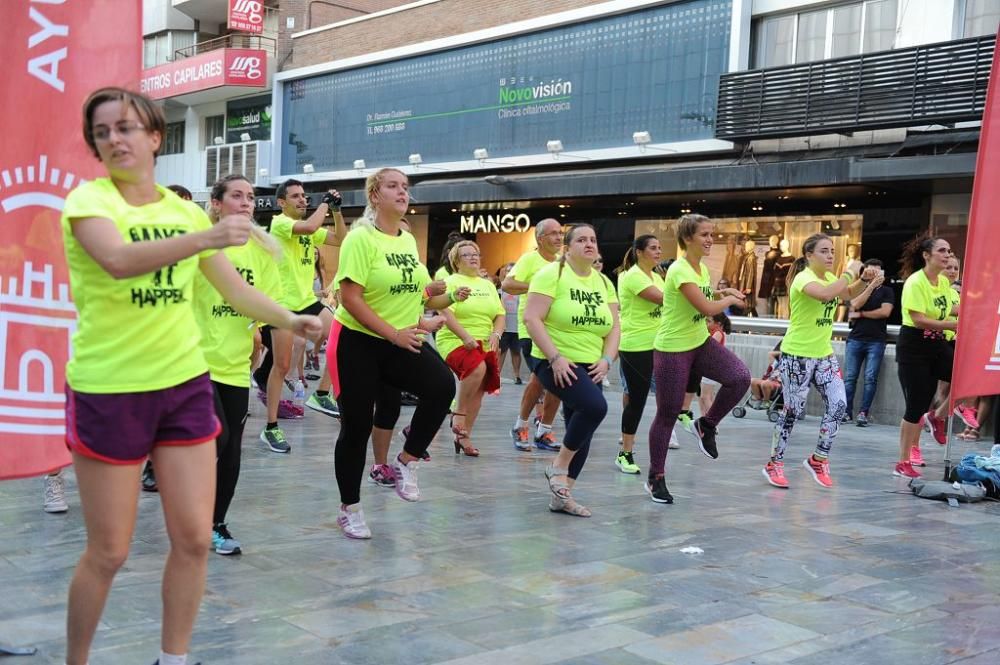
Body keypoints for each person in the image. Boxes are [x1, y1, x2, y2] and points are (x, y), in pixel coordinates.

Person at [61, 87, 322, 665]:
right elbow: (118, 260)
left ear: (155, 136)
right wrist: (208, 235)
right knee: (109, 551)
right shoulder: (90, 203)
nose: (115, 139)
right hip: (109, 390)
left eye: (126, 127)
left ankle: (173, 658)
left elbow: (235, 289)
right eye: (102, 132)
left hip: (182, 386)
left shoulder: (179, 213)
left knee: (197, 538)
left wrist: (291, 320)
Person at [329, 168, 468, 539]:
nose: (402, 192)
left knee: (441, 386)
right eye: (393, 186)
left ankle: (408, 460)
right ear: (375, 195)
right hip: (358, 341)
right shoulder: (360, 240)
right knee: (356, 428)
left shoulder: (406, 240)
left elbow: (424, 295)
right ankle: (350, 508)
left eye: (405, 187)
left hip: (400, 338)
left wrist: (446, 294)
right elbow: (350, 298)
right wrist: (393, 334)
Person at [193, 174, 285, 555]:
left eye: (250, 197)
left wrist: (263, 333)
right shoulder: (199, 244)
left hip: (234, 366)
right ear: (215, 203)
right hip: (193, 363)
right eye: (236, 195)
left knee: (231, 453)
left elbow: (267, 307)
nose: (247, 202)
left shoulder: (262, 252)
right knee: (219, 439)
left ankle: (215, 525)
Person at [648, 214, 750, 504]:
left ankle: (706, 425)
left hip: (699, 343)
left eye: (711, 234)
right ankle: (656, 477)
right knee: (667, 414)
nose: (710, 240)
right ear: (688, 238)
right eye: (704, 234)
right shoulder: (680, 269)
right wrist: (729, 300)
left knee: (739, 377)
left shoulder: (700, 269)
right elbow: (705, 306)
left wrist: (722, 290)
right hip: (672, 349)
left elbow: (704, 293)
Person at [764, 234, 880, 489]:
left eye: (832, 251)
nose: (830, 256)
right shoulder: (803, 279)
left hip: (824, 354)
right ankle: (774, 463)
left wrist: (865, 281)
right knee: (792, 411)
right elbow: (827, 295)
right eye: (824, 251)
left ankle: (819, 458)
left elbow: (847, 294)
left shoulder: (829, 277)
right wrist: (850, 272)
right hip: (798, 354)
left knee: (839, 404)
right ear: (809, 255)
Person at [524, 224, 620, 517]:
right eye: (581, 240)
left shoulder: (603, 282)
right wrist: (555, 358)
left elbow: (615, 327)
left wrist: (607, 360)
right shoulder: (551, 274)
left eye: (593, 239)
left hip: (590, 363)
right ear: (567, 247)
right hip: (552, 359)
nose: (589, 244)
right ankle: (558, 468)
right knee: (594, 406)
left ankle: (562, 496)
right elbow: (532, 318)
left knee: (583, 426)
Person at [252, 178, 347, 454]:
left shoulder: (310, 229)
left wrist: (338, 211)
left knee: (341, 337)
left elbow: (340, 239)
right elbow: (309, 226)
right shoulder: (280, 223)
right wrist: (326, 204)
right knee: (281, 366)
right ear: (282, 202)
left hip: (306, 301)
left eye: (304, 195)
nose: (302, 200)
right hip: (282, 304)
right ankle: (270, 428)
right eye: (295, 196)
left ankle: (319, 394)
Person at [893, 235, 957, 479]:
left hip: (937, 344)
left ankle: (937, 416)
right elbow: (918, 318)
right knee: (915, 406)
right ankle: (902, 461)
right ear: (926, 255)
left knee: (964, 379)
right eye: (942, 250)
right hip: (914, 346)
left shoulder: (942, 282)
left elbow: (947, 307)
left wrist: (979, 308)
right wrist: (952, 325)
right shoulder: (915, 282)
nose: (947, 255)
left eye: (949, 251)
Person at [436, 240, 506, 456]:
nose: (474, 257)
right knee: (477, 369)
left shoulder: (487, 284)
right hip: (455, 338)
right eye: (467, 255)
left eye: (476, 253)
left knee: (480, 388)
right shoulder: (450, 281)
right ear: (456, 261)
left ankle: (463, 436)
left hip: (484, 340)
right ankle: (458, 414)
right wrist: (465, 336)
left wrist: (496, 334)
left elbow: (500, 314)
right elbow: (445, 312)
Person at [502, 219, 565, 452]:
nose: (559, 238)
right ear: (540, 238)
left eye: (561, 233)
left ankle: (544, 430)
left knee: (558, 380)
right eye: (553, 234)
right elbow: (507, 283)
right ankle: (521, 426)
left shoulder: (562, 263)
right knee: (540, 379)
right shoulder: (530, 259)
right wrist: (538, 286)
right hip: (531, 327)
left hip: (557, 330)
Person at [614, 235, 664, 475]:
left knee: (666, 393)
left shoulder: (656, 276)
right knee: (637, 400)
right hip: (635, 346)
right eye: (653, 248)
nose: (658, 252)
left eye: (659, 248)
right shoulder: (631, 275)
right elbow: (663, 299)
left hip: (659, 345)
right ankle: (625, 453)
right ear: (640, 252)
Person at [843, 258, 894, 427]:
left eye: (878, 272)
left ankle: (864, 412)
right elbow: (855, 305)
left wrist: (863, 315)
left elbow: (885, 312)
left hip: (876, 340)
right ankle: (846, 412)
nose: (874, 275)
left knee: (870, 378)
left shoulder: (887, 291)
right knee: (850, 378)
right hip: (855, 338)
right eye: (871, 272)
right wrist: (870, 286)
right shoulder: (858, 288)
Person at [698, 312, 731, 415]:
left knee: (705, 396)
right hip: (707, 367)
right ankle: (703, 419)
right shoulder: (712, 331)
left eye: (709, 321)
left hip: (711, 367)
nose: (706, 323)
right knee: (703, 396)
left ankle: (711, 421)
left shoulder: (717, 332)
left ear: (718, 323)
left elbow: (708, 348)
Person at [497, 262, 524, 384]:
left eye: (512, 270)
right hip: (503, 327)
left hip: (517, 327)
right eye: (507, 270)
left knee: (516, 352)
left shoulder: (521, 289)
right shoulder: (499, 289)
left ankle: (517, 376)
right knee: (501, 352)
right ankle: (496, 376)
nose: (509, 273)